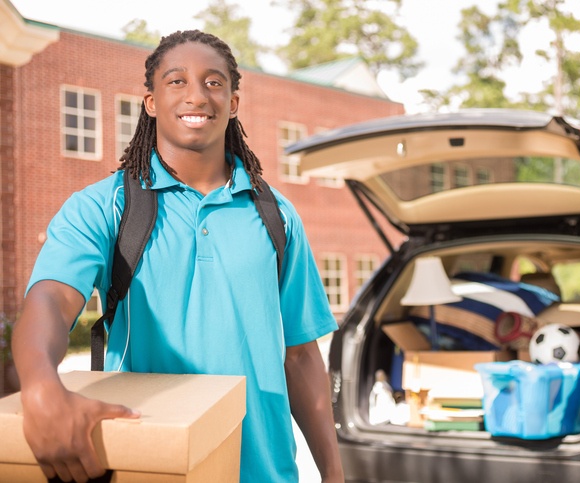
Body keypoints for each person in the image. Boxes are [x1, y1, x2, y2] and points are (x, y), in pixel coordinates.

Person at [11, 30, 344, 483]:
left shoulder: (277, 216)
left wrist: (333, 471)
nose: (197, 95)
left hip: (266, 472)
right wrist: (41, 386)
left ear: (234, 102)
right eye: (176, 81)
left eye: (213, 82)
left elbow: (301, 356)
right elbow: (49, 298)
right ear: (149, 102)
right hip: (152, 465)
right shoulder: (104, 206)